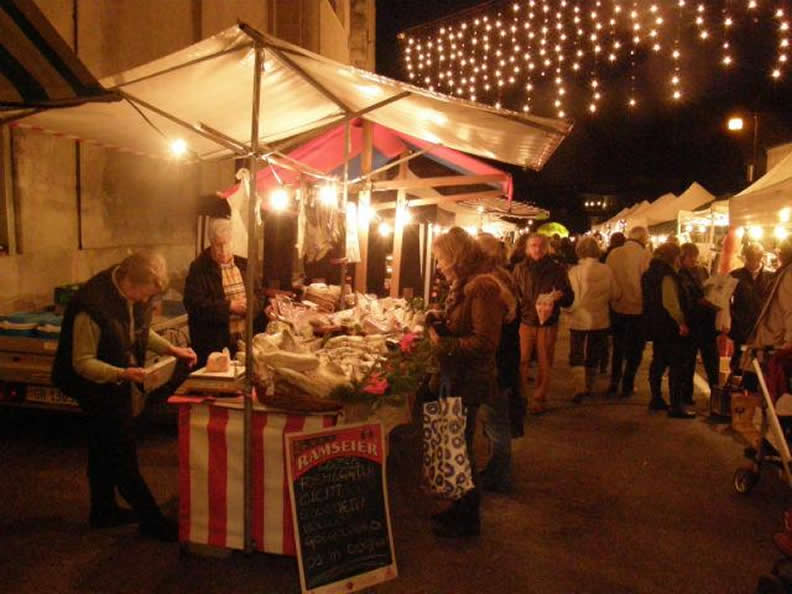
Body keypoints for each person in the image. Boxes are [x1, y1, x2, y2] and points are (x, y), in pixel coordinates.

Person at [52, 251, 198, 540]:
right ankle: (152, 520)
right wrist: (122, 373)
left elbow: (140, 332)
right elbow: (82, 362)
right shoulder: (91, 306)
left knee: (101, 447)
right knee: (122, 452)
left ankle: (103, 511)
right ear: (128, 281)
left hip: (116, 381)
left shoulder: (134, 293)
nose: (145, 301)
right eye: (142, 295)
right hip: (92, 385)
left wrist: (172, 349)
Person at [427, 227, 511, 538]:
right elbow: (464, 325)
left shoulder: (482, 286)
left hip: (469, 378)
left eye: (441, 258)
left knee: (460, 445)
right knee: (453, 444)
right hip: (456, 375)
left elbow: (485, 341)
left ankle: (467, 517)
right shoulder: (465, 284)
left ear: (455, 257)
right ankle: (456, 509)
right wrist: (441, 320)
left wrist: (440, 342)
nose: (439, 265)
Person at [476, 233, 520, 492]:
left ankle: (500, 475)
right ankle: (497, 469)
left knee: (495, 419)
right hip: (505, 357)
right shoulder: (504, 276)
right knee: (496, 418)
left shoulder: (491, 283)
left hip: (497, 360)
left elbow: (488, 330)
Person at [513, 233, 574, 414]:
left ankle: (539, 398)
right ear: (527, 248)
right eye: (533, 245)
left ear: (547, 247)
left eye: (540, 245)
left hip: (548, 323)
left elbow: (569, 297)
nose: (537, 249)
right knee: (522, 360)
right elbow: (514, 293)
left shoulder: (557, 269)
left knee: (544, 361)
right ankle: (520, 397)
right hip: (525, 321)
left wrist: (560, 296)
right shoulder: (519, 268)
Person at [184, 217, 248, 367]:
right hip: (213, 346)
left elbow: (257, 294)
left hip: (243, 342)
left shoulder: (244, 265)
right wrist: (229, 307)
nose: (223, 250)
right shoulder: (199, 268)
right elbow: (194, 304)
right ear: (211, 243)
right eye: (218, 245)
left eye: (226, 243)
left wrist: (250, 306)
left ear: (232, 241)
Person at [563, 237, 621, 402]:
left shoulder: (574, 272)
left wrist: (566, 310)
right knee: (593, 354)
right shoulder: (607, 270)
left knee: (577, 353)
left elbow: (573, 298)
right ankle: (589, 385)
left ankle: (578, 387)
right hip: (600, 319)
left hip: (579, 318)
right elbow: (616, 294)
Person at [642, 243, 695, 418]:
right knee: (676, 365)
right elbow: (670, 302)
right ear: (675, 257)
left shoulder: (651, 273)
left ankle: (656, 398)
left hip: (655, 324)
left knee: (658, 362)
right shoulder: (668, 275)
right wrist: (681, 322)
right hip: (669, 326)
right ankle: (675, 405)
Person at [606, 226, 652, 398]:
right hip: (637, 308)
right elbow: (646, 282)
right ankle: (628, 383)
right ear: (643, 238)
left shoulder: (614, 253)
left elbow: (609, 278)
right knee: (635, 349)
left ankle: (614, 381)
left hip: (617, 305)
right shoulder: (645, 255)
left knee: (618, 346)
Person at [678, 243, 720, 403]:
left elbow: (709, 289)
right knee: (688, 361)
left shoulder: (702, 270)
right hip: (692, 321)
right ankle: (686, 395)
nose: (694, 260)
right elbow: (684, 298)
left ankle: (715, 393)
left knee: (711, 360)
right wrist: (699, 301)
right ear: (683, 258)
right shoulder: (680, 274)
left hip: (707, 321)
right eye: (690, 257)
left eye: (695, 256)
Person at [729, 242, 774, 370]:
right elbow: (725, 299)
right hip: (741, 324)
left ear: (760, 258)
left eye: (753, 259)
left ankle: (753, 386)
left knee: (760, 359)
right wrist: (733, 317)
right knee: (739, 356)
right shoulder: (735, 275)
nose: (749, 263)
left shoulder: (771, 276)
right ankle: (736, 384)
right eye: (748, 259)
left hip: (763, 325)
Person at [752, 238, 792, 351]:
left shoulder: (788, 274)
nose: (778, 256)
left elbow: (790, 308)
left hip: (777, 337)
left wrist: (790, 341)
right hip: (776, 335)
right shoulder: (785, 271)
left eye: (780, 253)